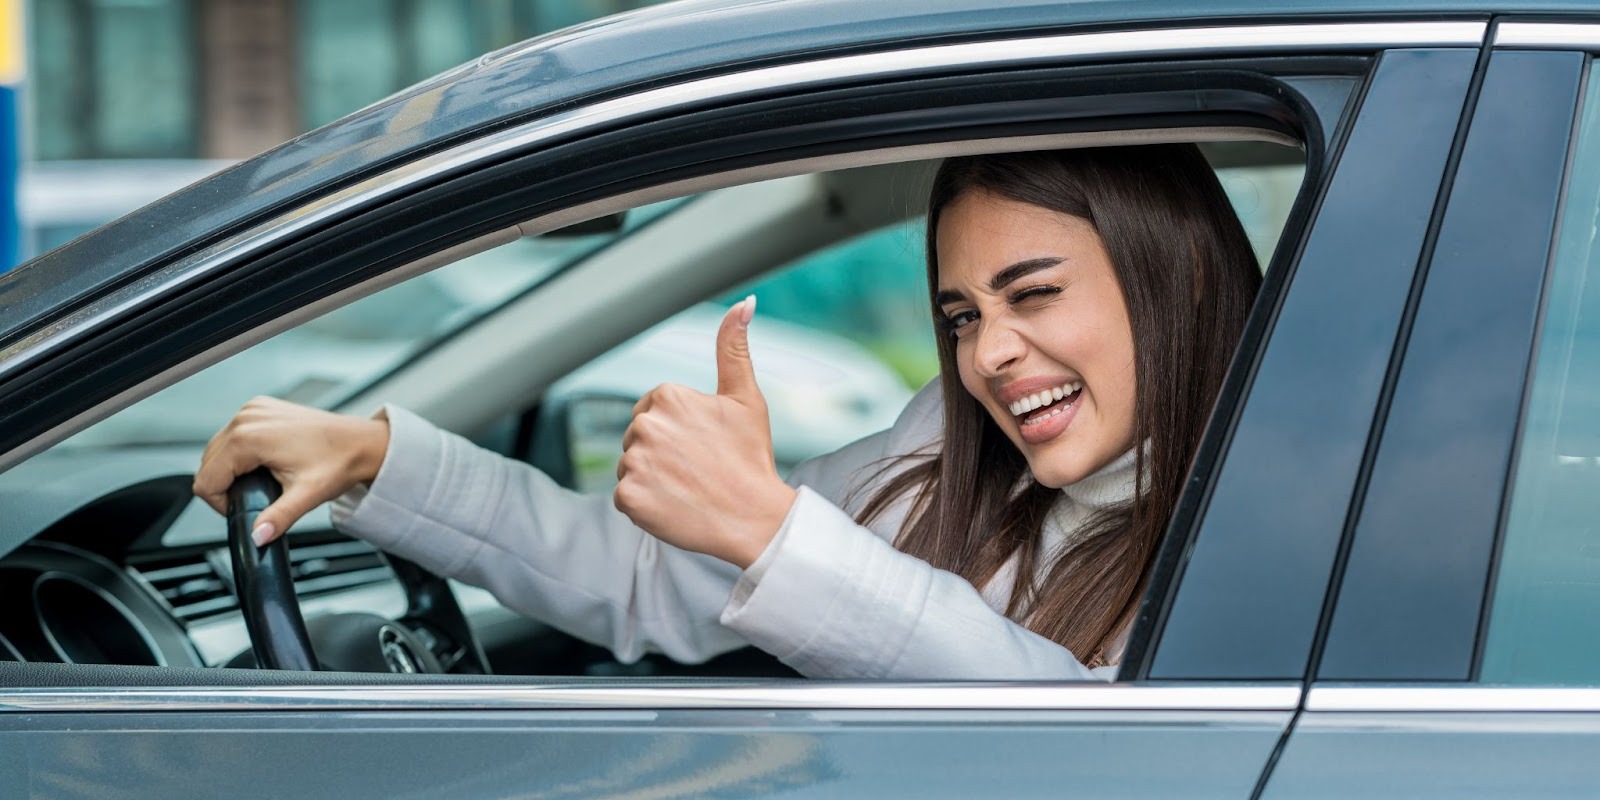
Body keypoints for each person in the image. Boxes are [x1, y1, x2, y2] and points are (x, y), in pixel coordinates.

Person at [193, 144, 1260, 680]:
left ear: (1183, 282)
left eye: (1032, 295)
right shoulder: (944, 446)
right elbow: (642, 575)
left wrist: (769, 529)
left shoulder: (1312, 500)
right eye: (960, 312)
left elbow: (1090, 739)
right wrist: (382, 460)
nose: (988, 351)